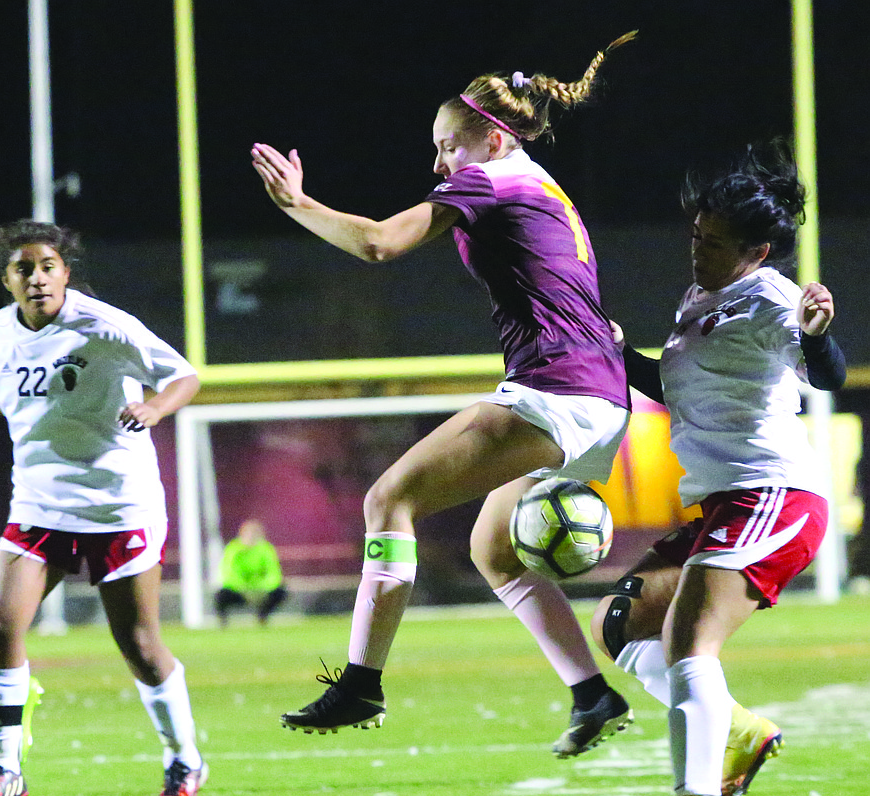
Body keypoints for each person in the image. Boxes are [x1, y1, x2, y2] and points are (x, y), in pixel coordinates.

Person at [253, 33, 638, 757]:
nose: (438, 164)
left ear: (491, 138)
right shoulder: (543, 184)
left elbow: (376, 244)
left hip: (556, 391)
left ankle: (361, 681)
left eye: (448, 147)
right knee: (495, 551)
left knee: (387, 499)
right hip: (596, 396)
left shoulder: (490, 180)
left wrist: (298, 204)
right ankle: (594, 695)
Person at [588, 142, 846, 796]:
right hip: (723, 502)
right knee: (622, 623)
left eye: (715, 243)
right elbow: (677, 390)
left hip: (773, 494)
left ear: (758, 250)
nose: (697, 251)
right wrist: (619, 356)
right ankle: (734, 726)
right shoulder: (702, 296)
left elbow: (826, 374)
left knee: (686, 638)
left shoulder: (769, 298)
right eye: (696, 237)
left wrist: (820, 338)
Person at [0, 219, 207, 796]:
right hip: (40, 504)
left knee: (139, 644)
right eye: (23, 269)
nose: (37, 278)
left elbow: (183, 376)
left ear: (64, 271)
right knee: (0, 624)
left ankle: (184, 756)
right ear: (5, 278)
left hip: (118, 504)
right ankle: (4, 767)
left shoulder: (104, 325)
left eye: (47, 266)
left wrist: (155, 406)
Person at [214, 519, 288, 626]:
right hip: (240, 590)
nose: (251, 537)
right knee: (221, 596)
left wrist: (262, 589)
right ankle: (222, 623)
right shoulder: (233, 549)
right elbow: (228, 573)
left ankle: (262, 617)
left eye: (254, 534)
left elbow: (274, 573)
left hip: (260, 590)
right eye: (248, 534)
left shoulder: (265, 549)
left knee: (280, 592)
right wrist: (243, 589)